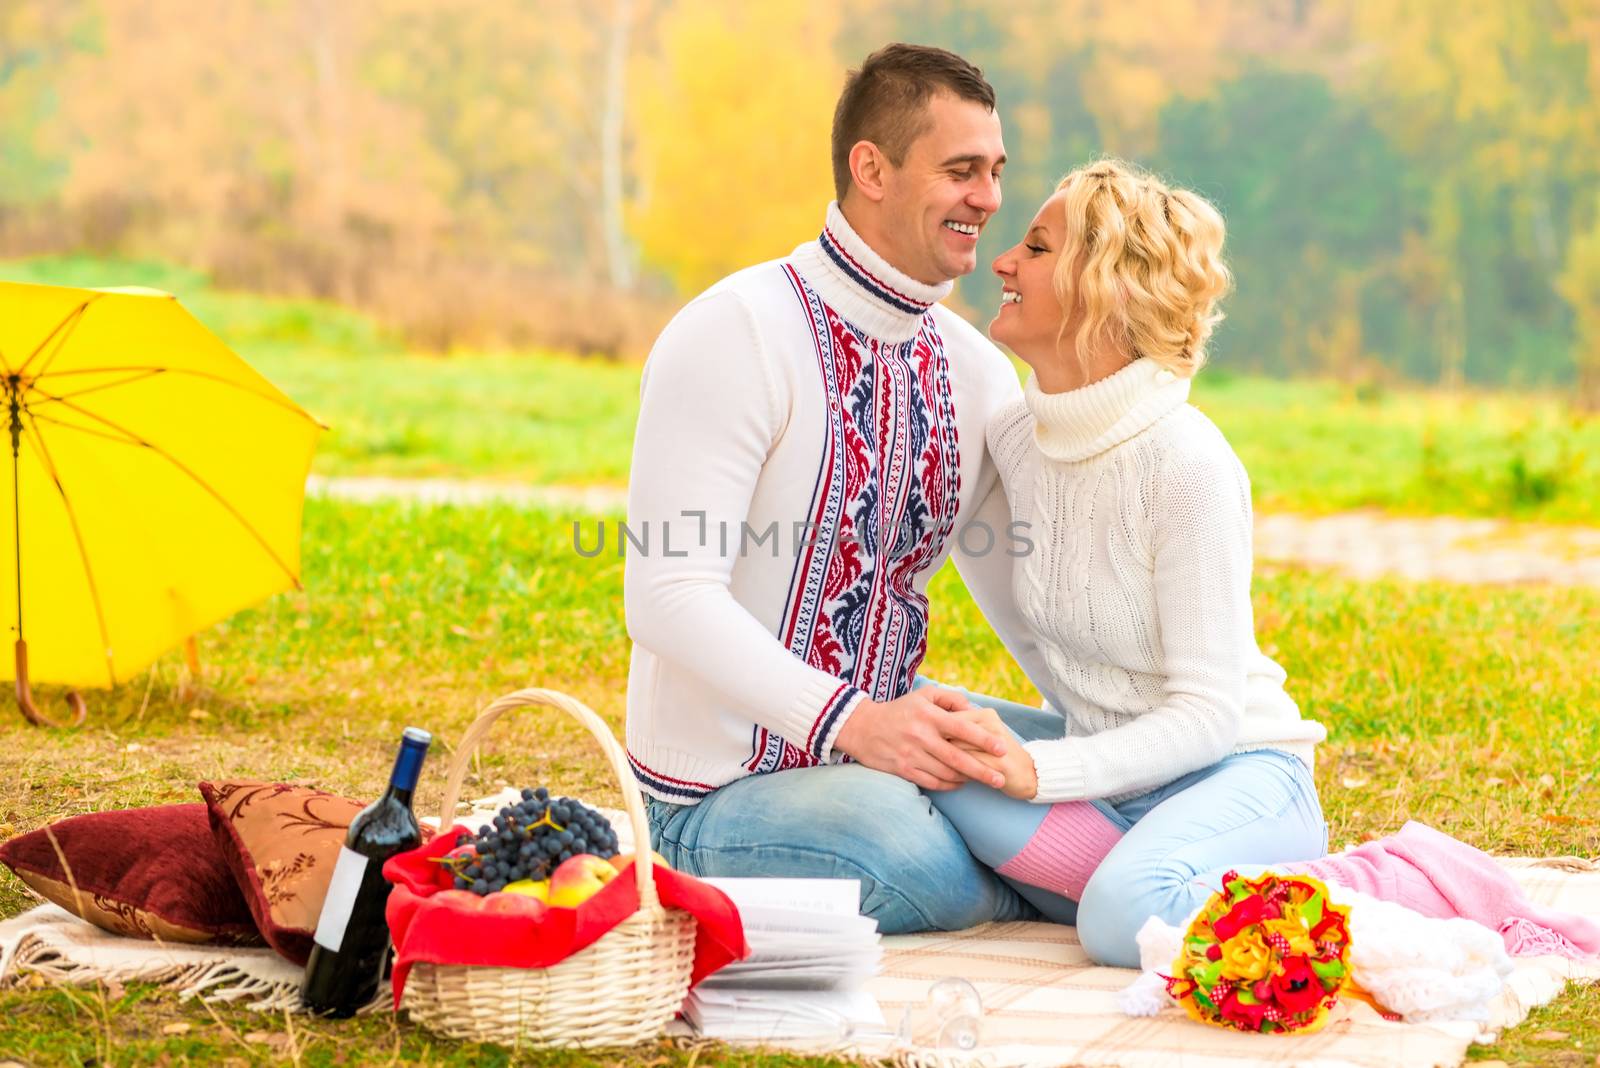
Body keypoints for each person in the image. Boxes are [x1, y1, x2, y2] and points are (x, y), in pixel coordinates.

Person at [925, 158, 1600, 967]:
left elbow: (1207, 716)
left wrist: (1040, 770)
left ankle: (1393, 878)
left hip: (1235, 773)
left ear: (1105, 288)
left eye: (1035, 248)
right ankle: (1143, 882)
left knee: (1117, 922)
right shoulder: (1015, 444)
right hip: (1113, 777)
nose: (1002, 260)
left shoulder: (1185, 461)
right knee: (918, 730)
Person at [623, 44, 1055, 933]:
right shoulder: (735, 332)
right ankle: (1054, 888)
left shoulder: (977, 373)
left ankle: (1090, 867)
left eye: (996, 172)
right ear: (872, 169)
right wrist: (854, 724)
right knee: (901, 843)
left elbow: (1028, 605)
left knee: (1089, 762)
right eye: (961, 170)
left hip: (889, 755)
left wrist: (1117, 738)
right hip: (719, 796)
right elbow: (665, 597)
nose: (989, 199)